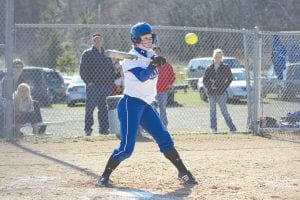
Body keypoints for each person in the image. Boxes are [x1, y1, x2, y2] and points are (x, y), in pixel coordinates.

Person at [96, 22, 198, 187]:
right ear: (136, 40)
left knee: (164, 139)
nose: (149, 41)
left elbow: (153, 60)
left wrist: (157, 59)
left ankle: (183, 172)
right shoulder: (128, 60)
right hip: (130, 104)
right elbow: (143, 76)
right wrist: (152, 65)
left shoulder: (149, 53)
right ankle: (104, 176)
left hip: (146, 105)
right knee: (126, 149)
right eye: (145, 38)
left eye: (150, 38)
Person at [80, 32, 117, 136]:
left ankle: (104, 129)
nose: (98, 41)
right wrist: (88, 82)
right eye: (95, 39)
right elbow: (83, 70)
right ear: (92, 41)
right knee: (89, 109)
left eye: (99, 39)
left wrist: (111, 81)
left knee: (104, 109)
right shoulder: (87, 53)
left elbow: (111, 69)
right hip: (93, 86)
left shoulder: (106, 54)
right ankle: (88, 129)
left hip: (106, 86)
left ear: (102, 41)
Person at [203, 48, 237, 134]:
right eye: (216, 57)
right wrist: (210, 87)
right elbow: (205, 80)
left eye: (219, 57)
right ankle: (213, 129)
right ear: (213, 57)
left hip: (221, 93)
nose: (217, 58)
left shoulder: (225, 67)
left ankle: (233, 128)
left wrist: (223, 87)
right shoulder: (209, 68)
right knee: (212, 112)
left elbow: (230, 78)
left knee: (224, 111)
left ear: (222, 58)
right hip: (211, 94)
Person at [153, 47, 176, 128]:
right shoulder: (151, 64)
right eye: (154, 51)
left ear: (160, 52)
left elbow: (172, 75)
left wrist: (170, 83)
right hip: (152, 90)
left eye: (158, 51)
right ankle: (154, 124)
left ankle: (164, 125)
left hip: (163, 89)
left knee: (162, 108)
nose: (156, 53)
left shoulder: (166, 64)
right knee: (152, 107)